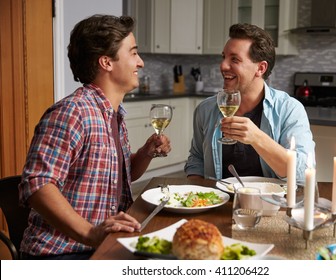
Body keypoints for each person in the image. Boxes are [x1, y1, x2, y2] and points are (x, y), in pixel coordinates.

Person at [18, 14, 171, 260]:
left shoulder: (113, 114)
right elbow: (37, 185)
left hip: (99, 243)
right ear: (106, 62)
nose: (140, 62)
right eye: (133, 53)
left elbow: (117, 178)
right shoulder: (73, 112)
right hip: (61, 253)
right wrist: (91, 233)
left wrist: (145, 153)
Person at [185, 23, 315, 183]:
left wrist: (257, 138)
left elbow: (302, 173)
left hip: (270, 204)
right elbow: (197, 159)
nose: (223, 65)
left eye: (234, 59)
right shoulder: (205, 109)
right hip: (218, 201)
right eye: (223, 57)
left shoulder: (289, 110)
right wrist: (197, 195)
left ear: (260, 68)